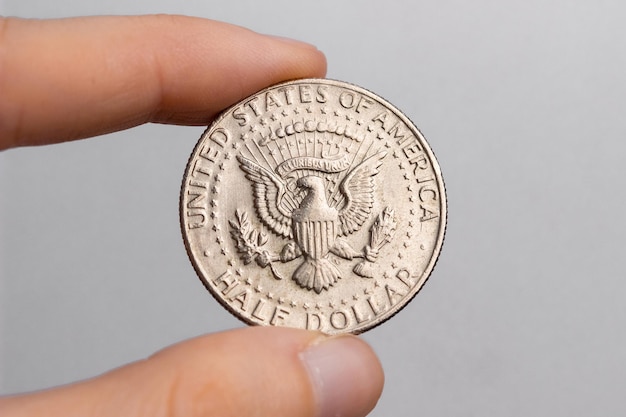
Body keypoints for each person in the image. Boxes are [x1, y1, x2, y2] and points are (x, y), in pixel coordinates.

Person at [0, 15, 384, 417]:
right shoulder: (284, 200)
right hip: (300, 254)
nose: (304, 187)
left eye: (309, 185)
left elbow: (360, 173)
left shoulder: (345, 197)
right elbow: (257, 174)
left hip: (320, 258)